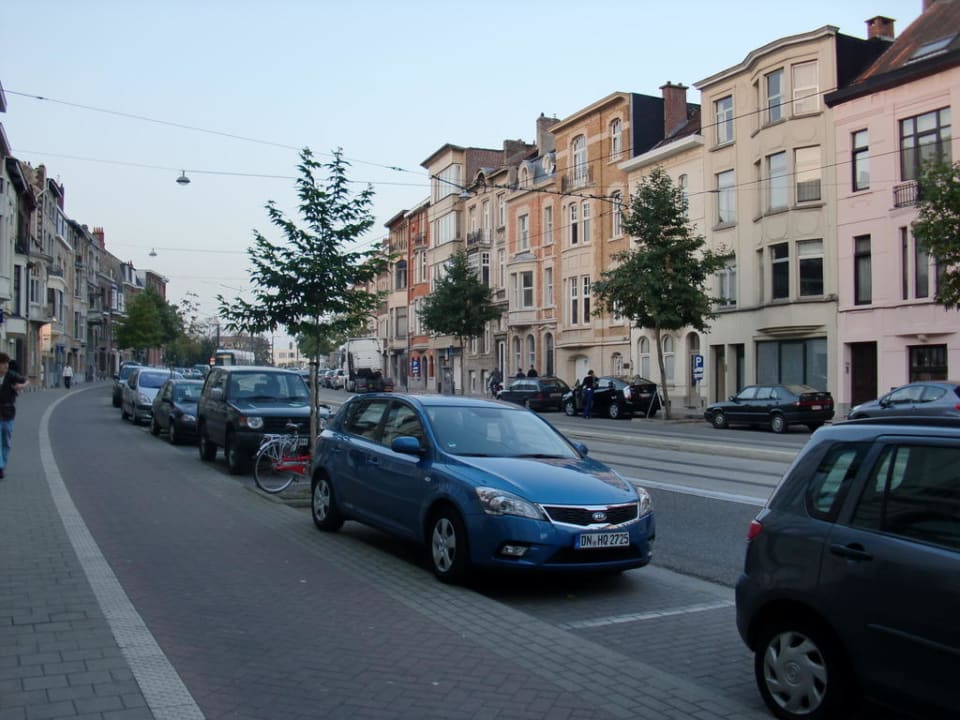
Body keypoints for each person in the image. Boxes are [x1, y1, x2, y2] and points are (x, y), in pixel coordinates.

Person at [0, 353, 28, 479]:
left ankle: (2, 464)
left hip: (8, 413)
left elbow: (25, 380)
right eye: (3, 363)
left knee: (6, 441)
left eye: (7, 363)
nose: (6, 366)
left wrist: (20, 386)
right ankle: (0, 467)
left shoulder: (11, 375)